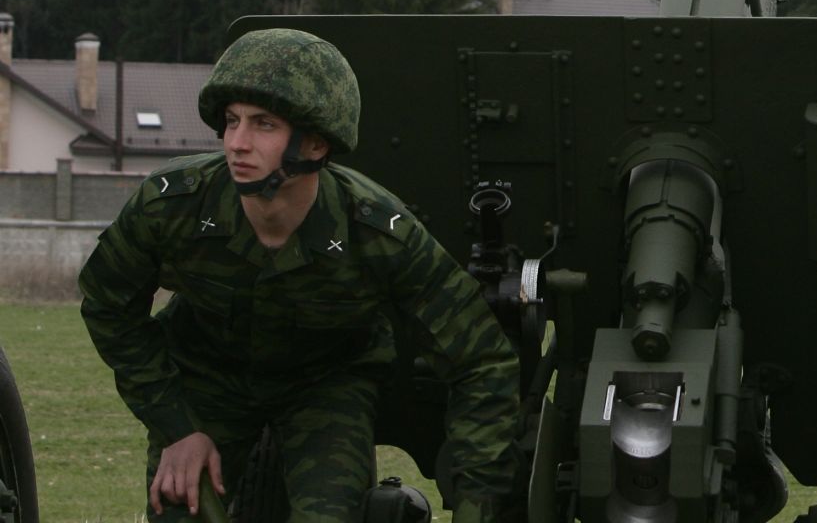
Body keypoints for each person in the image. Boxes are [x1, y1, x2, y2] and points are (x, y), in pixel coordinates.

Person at [79, 27, 520, 521]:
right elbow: (107, 305)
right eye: (231, 121)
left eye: (263, 125)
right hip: (205, 380)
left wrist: (477, 502)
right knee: (182, 510)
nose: (237, 144)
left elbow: (481, 360)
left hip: (326, 387)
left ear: (313, 144)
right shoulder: (172, 204)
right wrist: (176, 426)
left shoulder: (377, 230)